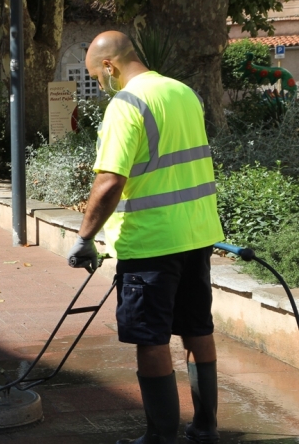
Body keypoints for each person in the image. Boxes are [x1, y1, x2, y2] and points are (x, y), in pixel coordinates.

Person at [66, 31, 224, 444]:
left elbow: (109, 181)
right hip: (197, 233)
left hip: (152, 242)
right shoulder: (184, 92)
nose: (100, 85)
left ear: (109, 66)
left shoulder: (127, 104)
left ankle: (160, 437)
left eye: (96, 77)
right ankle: (206, 427)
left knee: (149, 339)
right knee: (197, 329)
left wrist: (85, 237)